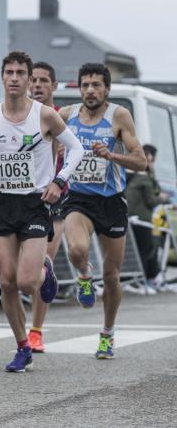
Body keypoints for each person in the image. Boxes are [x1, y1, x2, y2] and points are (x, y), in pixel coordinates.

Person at [0, 50, 83, 372]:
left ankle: (44, 269)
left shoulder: (45, 115)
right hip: (3, 203)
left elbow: (76, 149)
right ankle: (22, 347)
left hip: (35, 203)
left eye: (21, 73)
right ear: (2, 77)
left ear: (29, 80)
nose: (15, 78)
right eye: (10, 72)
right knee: (6, 283)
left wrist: (59, 181)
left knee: (26, 281)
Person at [60, 63, 147, 359]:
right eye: (85, 85)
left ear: (107, 90)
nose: (91, 91)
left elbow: (141, 161)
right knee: (75, 249)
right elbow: (42, 142)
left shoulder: (118, 116)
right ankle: (84, 275)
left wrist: (111, 155)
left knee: (112, 276)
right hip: (79, 199)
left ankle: (107, 333)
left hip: (111, 201)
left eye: (96, 85)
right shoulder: (67, 115)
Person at [26, 61, 65, 353]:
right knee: (25, 270)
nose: (37, 85)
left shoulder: (60, 118)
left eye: (43, 81)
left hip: (58, 197)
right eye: (34, 80)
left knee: (43, 260)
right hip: (25, 198)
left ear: (53, 85)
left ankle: (36, 331)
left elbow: (78, 151)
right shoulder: (22, 114)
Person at [126, 144, 168, 291]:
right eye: (149, 161)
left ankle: (146, 280)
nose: (151, 164)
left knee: (141, 250)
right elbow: (151, 200)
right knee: (144, 250)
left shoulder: (134, 176)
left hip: (132, 219)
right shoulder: (143, 178)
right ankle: (143, 282)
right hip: (141, 220)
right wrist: (162, 198)